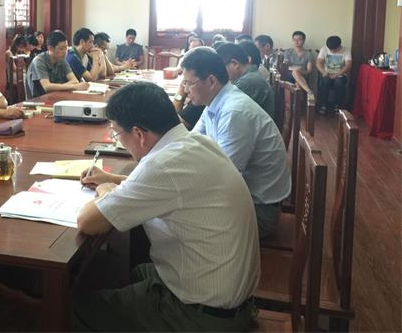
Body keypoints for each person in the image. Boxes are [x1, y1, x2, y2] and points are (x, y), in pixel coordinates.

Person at [73, 82, 259, 332]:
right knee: (133, 271)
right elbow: (168, 187)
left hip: (201, 316)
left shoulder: (162, 165)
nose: (119, 141)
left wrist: (106, 191)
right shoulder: (195, 142)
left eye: (117, 134)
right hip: (231, 300)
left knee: (76, 309)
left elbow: (87, 221)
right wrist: (113, 179)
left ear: (138, 134)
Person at [181, 47, 291, 238]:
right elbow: (192, 142)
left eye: (189, 83)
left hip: (258, 211)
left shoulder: (234, 112)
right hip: (241, 197)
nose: (185, 90)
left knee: (169, 220)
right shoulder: (216, 102)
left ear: (211, 81)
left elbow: (223, 178)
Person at [25, 30, 90, 98]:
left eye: (66, 48)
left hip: (55, 96)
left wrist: (58, 87)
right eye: (61, 49)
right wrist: (74, 86)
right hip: (38, 100)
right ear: (50, 48)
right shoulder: (39, 60)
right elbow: (47, 87)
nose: (65, 52)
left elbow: (74, 81)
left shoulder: (61, 59)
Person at [216, 43, 274, 116]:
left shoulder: (247, 82)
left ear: (235, 64)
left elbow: (220, 109)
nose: (219, 74)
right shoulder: (250, 75)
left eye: (220, 69)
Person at [316, 35, 352, 114]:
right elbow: (319, 63)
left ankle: (338, 106)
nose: (332, 51)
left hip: (340, 74)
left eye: (334, 49)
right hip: (326, 73)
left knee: (339, 83)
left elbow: (348, 65)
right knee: (325, 82)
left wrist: (337, 74)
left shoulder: (346, 51)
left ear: (339, 46)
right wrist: (323, 72)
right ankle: (323, 105)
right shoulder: (324, 49)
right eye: (330, 49)